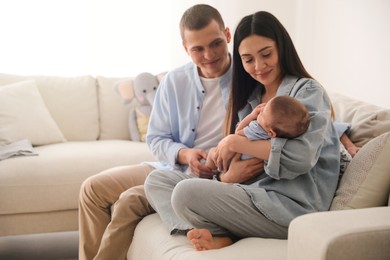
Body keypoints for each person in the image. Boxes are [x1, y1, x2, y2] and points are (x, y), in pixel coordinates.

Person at [144, 10, 341, 251]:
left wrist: (236, 144)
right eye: (248, 59)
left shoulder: (307, 92)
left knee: (186, 193)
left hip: (290, 206)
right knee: (157, 180)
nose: (259, 66)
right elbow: (239, 162)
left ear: (282, 48)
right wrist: (225, 177)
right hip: (250, 193)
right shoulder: (252, 99)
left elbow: (301, 157)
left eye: (266, 54)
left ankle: (223, 233)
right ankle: (205, 232)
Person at [78, 4, 262, 260]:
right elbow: (155, 138)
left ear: (228, 35)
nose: (209, 54)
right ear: (186, 49)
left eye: (216, 43)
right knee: (91, 189)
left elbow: (290, 109)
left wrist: (339, 128)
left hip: (213, 180)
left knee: (129, 201)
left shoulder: (250, 76)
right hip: (171, 168)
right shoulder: (175, 81)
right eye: (198, 48)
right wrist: (185, 155)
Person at [206, 95, 310, 171]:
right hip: (242, 163)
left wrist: (252, 115)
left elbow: (238, 133)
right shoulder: (275, 138)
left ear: (271, 133)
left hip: (232, 159)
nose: (260, 112)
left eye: (263, 114)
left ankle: (207, 171)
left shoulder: (257, 129)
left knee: (212, 154)